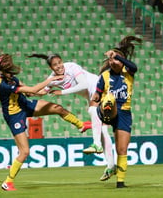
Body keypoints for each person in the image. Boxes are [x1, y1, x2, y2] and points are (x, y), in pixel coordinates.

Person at [0, 54, 90, 191]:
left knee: (57, 108)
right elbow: (32, 89)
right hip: (14, 115)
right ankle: (8, 182)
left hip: (24, 104)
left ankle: (80, 125)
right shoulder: (4, 84)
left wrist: (39, 90)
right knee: (25, 151)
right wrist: (51, 80)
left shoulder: (7, 76)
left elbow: (27, 89)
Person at [27, 53, 115, 181]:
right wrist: (30, 93)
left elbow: (84, 84)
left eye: (59, 63)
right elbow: (43, 91)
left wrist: (61, 92)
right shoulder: (53, 78)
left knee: (92, 110)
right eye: (55, 65)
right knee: (102, 130)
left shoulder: (72, 67)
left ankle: (97, 146)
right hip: (90, 94)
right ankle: (111, 166)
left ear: (62, 61)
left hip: (98, 86)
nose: (58, 67)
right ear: (51, 68)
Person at [91, 36, 142, 188]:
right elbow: (97, 94)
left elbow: (134, 67)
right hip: (108, 110)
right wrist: (96, 97)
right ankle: (104, 114)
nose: (112, 62)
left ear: (122, 60)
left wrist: (117, 56)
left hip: (124, 113)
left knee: (122, 148)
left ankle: (120, 182)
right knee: (109, 100)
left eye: (116, 59)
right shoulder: (104, 76)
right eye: (111, 60)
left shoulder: (128, 72)